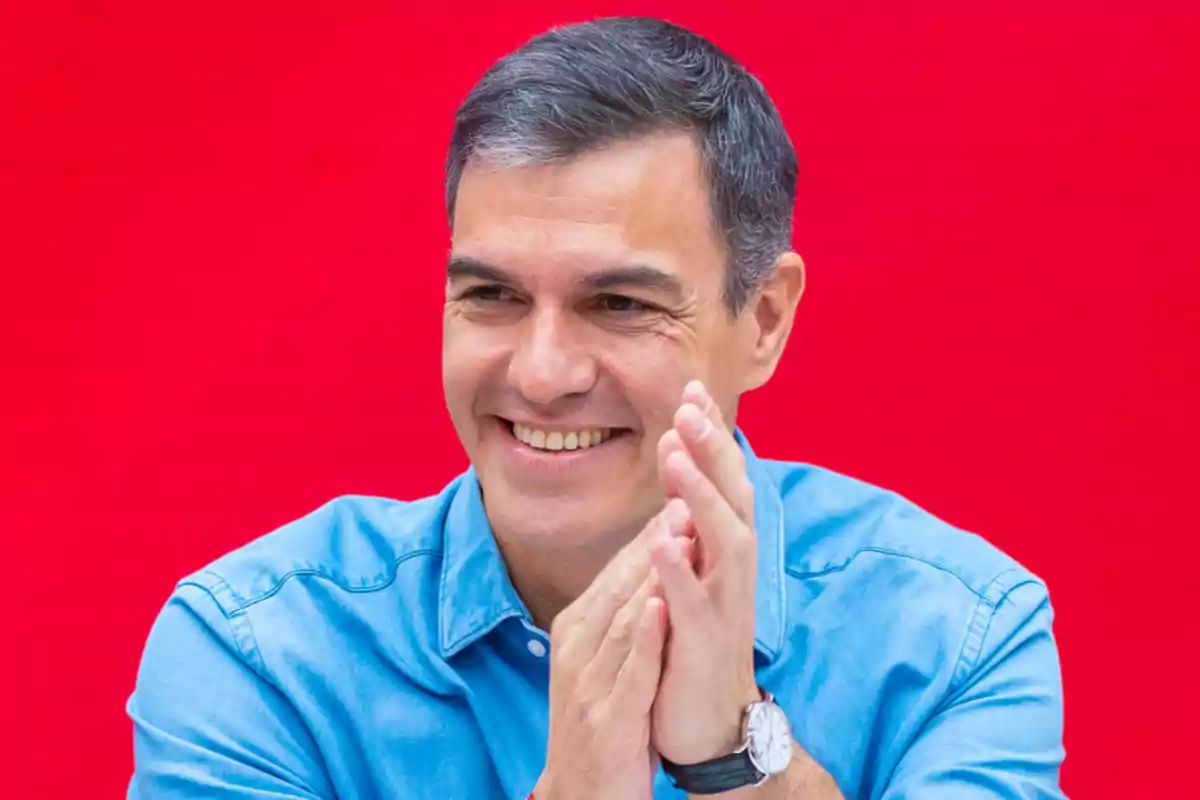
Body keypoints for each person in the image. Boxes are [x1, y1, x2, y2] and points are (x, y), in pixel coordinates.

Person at [127, 16, 1066, 800]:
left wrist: (734, 761)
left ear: (765, 320)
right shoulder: (260, 658)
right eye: (490, 296)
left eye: (620, 304)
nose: (540, 374)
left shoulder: (956, 639)